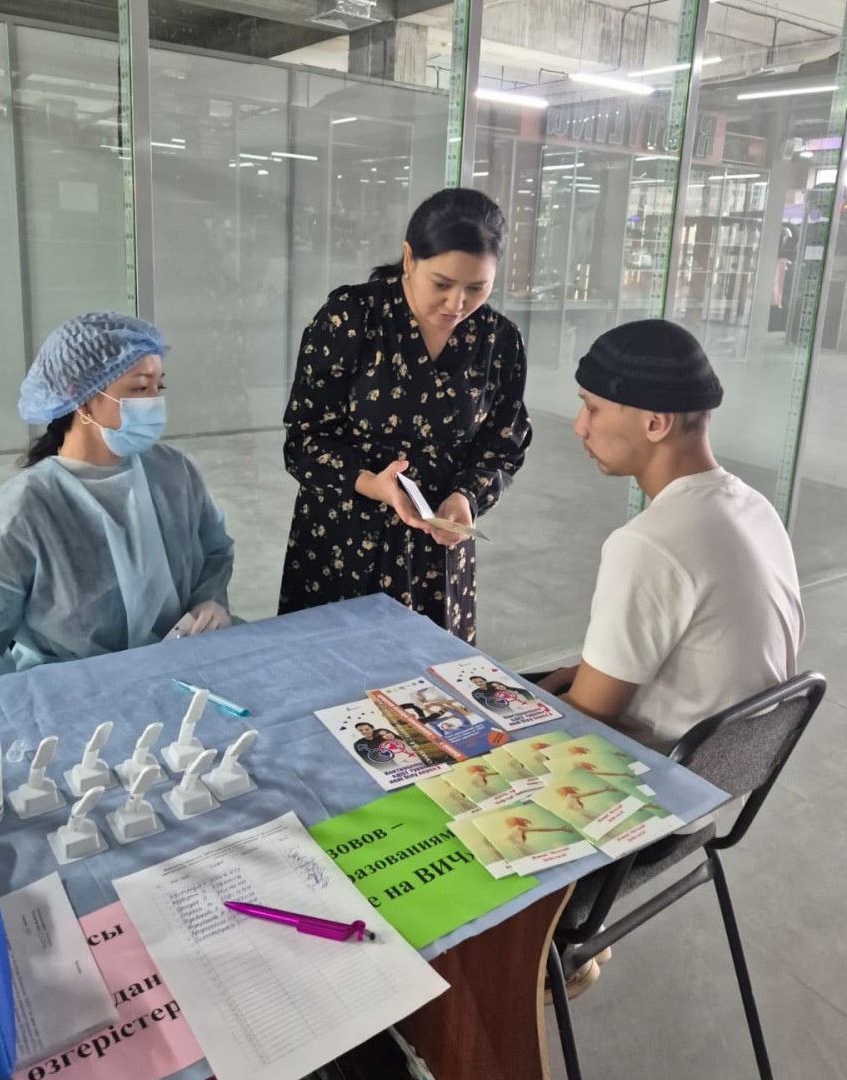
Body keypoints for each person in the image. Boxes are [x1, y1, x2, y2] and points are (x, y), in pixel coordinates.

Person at [0, 312, 238, 692]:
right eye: (140, 388)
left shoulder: (173, 474)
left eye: (159, 386)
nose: (155, 402)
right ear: (81, 397)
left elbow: (214, 550)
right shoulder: (17, 514)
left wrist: (209, 602)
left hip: (183, 675)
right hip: (71, 697)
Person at [536, 318, 803, 754]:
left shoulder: (649, 545)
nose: (579, 427)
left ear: (656, 424)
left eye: (592, 408)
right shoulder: (757, 509)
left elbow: (585, 719)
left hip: (646, 774)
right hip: (723, 769)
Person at [278, 188, 532, 643]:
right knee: (331, 667)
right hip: (343, 539)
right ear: (410, 259)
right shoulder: (352, 318)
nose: (456, 304)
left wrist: (467, 497)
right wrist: (370, 483)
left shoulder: (499, 340)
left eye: (476, 288)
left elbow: (502, 445)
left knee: (429, 675)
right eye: (442, 284)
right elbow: (305, 439)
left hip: (435, 553)